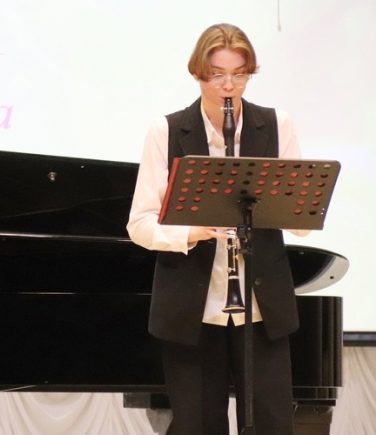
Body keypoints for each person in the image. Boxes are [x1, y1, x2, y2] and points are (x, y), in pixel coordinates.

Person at [127, 23, 308, 435]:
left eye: (239, 75)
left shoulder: (276, 124)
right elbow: (139, 224)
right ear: (197, 73)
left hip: (261, 308)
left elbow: (300, 220)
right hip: (192, 308)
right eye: (217, 75)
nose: (229, 86)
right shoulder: (167, 131)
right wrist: (192, 231)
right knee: (198, 426)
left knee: (272, 425)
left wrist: (287, 207)